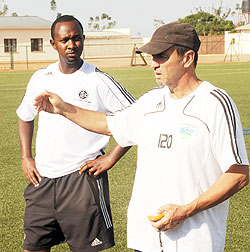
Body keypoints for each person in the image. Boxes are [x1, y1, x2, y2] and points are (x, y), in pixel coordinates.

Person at [33, 22, 249, 252]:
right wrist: (63, 108)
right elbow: (108, 124)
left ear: (187, 58)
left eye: (162, 56)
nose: (154, 64)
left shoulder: (215, 103)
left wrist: (186, 210)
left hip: (193, 242)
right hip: (146, 241)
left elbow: (238, 175)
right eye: (153, 56)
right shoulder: (150, 101)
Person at [17, 15, 135, 252]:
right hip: (43, 179)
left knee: (85, 249)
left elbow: (136, 119)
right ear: (53, 44)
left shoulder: (99, 80)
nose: (71, 45)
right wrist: (26, 156)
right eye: (65, 40)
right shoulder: (41, 77)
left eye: (76, 39)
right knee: (33, 247)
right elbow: (25, 115)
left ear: (83, 39)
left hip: (82, 179)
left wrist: (110, 158)